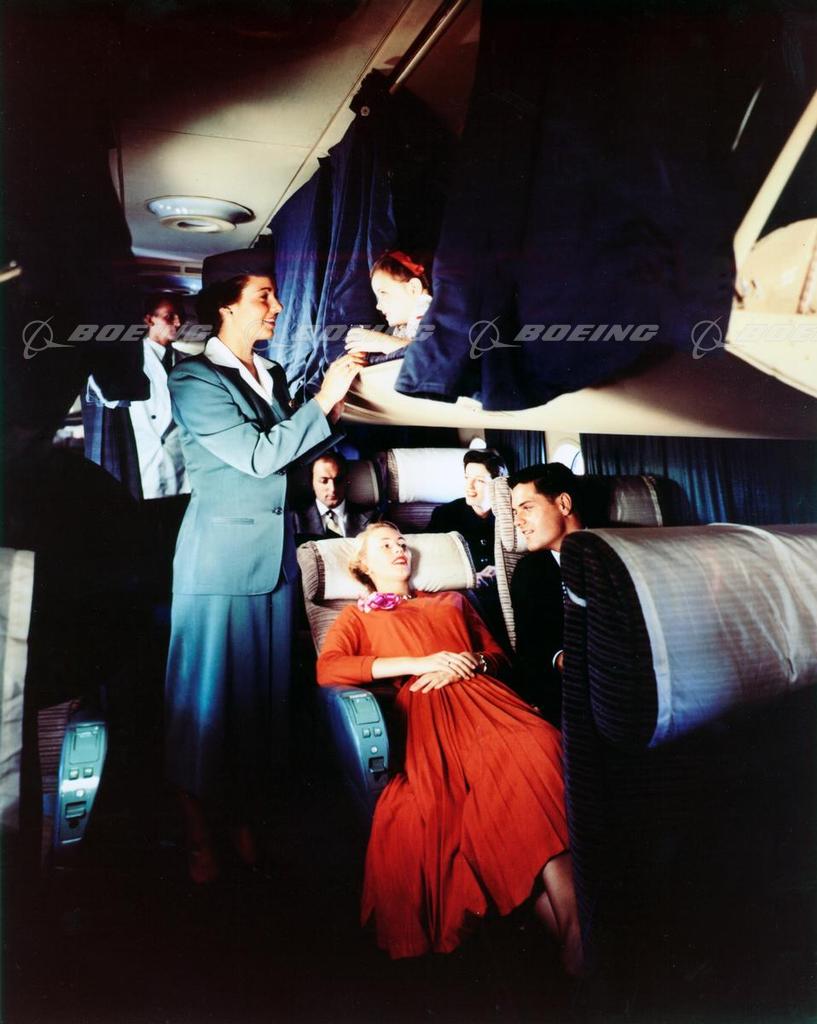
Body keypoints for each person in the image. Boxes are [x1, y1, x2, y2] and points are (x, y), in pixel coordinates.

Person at [164, 247, 365, 883]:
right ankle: (199, 832)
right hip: (219, 563)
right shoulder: (194, 379)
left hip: (272, 561)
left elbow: (294, 454)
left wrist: (334, 404)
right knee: (204, 706)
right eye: (264, 296)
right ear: (226, 306)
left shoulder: (270, 373)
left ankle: (242, 819)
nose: (277, 306)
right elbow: (257, 456)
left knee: (257, 708)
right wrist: (323, 399)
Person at [316, 522, 581, 973]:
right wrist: (422, 663)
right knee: (491, 788)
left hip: (488, 699)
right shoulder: (356, 618)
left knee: (540, 745)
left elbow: (497, 656)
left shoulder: (453, 601)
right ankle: (577, 935)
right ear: (363, 565)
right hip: (428, 710)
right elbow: (330, 668)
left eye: (402, 542)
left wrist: (470, 662)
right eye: (385, 544)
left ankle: (574, 936)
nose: (399, 548)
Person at [87, 294, 189, 499]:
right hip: (145, 458)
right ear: (149, 320)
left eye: (180, 316)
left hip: (180, 461)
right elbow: (105, 395)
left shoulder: (186, 361)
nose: (178, 323)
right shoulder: (129, 361)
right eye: (169, 316)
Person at [509, 463, 585, 727]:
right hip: (570, 693)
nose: (517, 521)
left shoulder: (617, 553)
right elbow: (531, 650)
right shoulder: (528, 572)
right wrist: (561, 659)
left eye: (527, 508)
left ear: (563, 504)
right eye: (515, 512)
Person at [426, 448, 507, 586]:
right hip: (462, 588)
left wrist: (501, 571)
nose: (469, 486)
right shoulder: (445, 514)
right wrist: (467, 578)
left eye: (480, 481)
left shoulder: (511, 515)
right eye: (467, 478)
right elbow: (430, 561)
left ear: (497, 485)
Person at [344, 250, 432, 360]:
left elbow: (427, 354)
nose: (378, 306)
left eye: (383, 293)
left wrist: (381, 342)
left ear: (413, 288)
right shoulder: (404, 326)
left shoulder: (434, 316)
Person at [294, 451, 379, 543]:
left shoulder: (373, 518)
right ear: (311, 482)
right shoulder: (293, 520)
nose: (333, 489)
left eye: (338, 480)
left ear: (347, 480)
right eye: (324, 481)